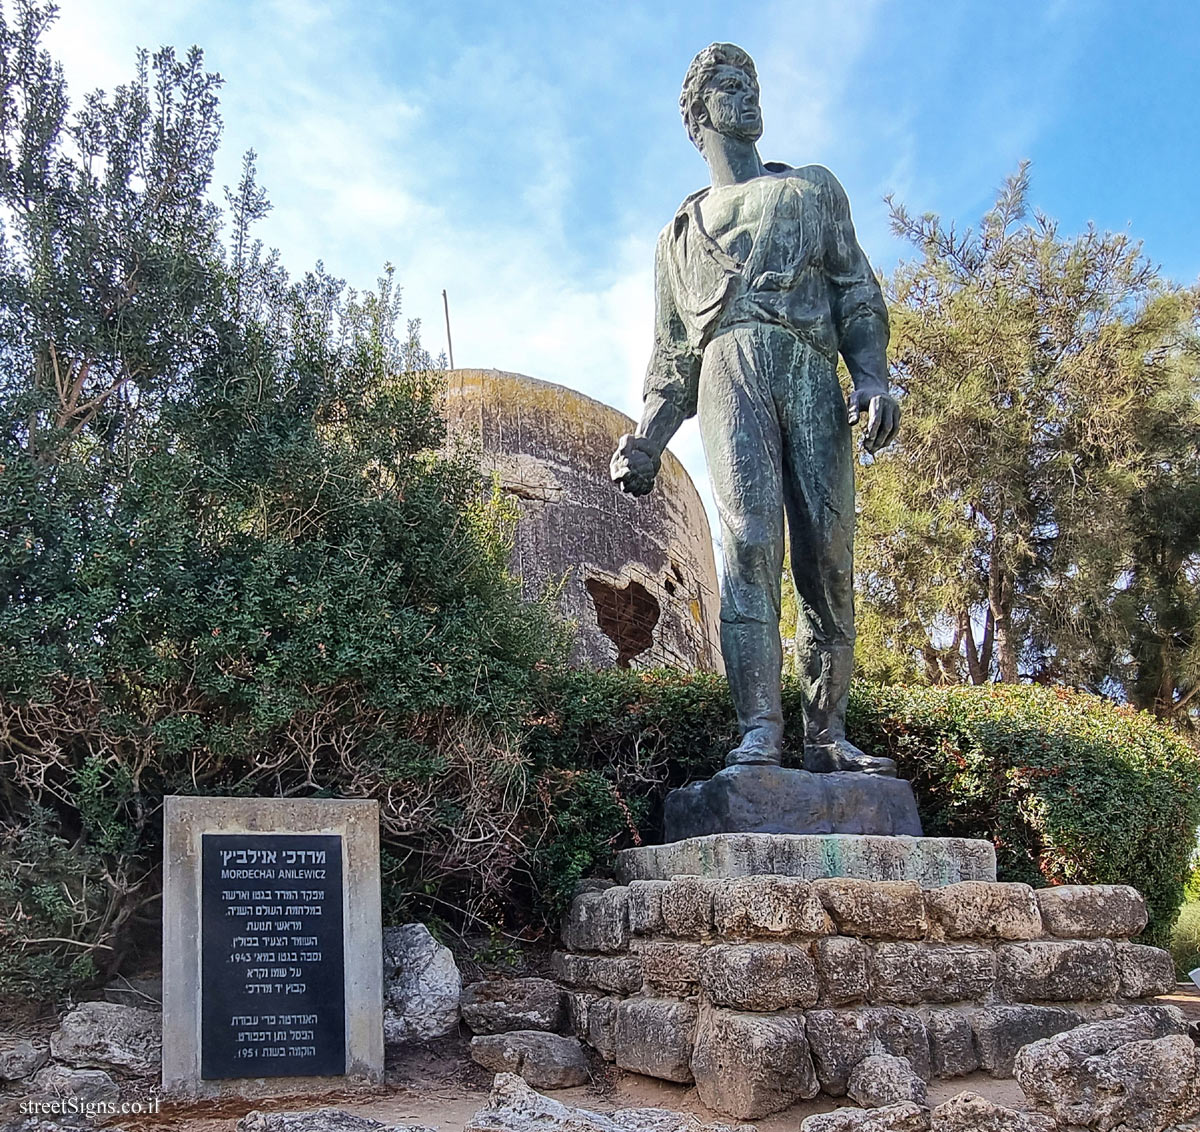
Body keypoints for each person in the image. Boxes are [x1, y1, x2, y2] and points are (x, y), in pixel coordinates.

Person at [610, 42, 900, 774]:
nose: (747, 97)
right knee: (747, 549)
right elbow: (674, 354)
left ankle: (828, 734)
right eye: (729, 87)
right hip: (727, 371)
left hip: (806, 363)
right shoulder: (678, 236)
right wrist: (647, 439)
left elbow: (855, 291)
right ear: (698, 114)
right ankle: (760, 732)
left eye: (751, 84)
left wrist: (871, 375)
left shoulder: (810, 190)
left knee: (828, 557)